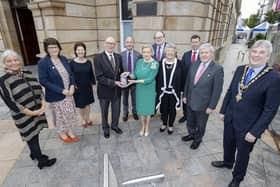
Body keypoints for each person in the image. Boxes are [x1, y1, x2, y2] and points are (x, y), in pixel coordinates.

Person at [211, 40, 280, 187]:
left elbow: (270, 109)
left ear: (268, 56)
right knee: (228, 144)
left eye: (261, 52)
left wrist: (255, 132)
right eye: (254, 51)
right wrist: (223, 111)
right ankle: (227, 162)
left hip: (249, 126)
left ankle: (237, 178)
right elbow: (230, 91)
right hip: (230, 117)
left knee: (243, 154)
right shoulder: (241, 69)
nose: (256, 55)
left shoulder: (274, 78)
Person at [0, 49, 56, 169]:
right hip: (23, 115)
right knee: (31, 137)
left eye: (15, 60)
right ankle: (41, 161)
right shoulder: (3, 80)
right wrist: (31, 112)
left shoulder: (27, 73)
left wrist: (43, 104)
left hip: (37, 111)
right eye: (9, 61)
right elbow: (11, 103)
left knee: (35, 134)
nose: (13, 63)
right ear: (4, 63)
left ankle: (33, 154)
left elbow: (39, 90)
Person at [181, 43, 224, 149]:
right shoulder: (195, 64)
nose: (203, 55)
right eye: (201, 53)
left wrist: (212, 106)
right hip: (190, 100)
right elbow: (188, 81)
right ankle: (191, 134)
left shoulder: (217, 69)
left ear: (211, 54)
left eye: (206, 52)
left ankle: (197, 139)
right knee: (190, 121)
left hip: (204, 104)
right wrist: (185, 95)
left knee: (200, 124)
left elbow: (217, 90)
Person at [38, 37, 79, 143]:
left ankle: (69, 131)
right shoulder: (43, 63)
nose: (53, 49)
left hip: (69, 93)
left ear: (59, 48)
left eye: (55, 47)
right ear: (46, 49)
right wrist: (61, 90)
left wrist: (72, 85)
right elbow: (43, 81)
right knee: (60, 116)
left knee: (69, 114)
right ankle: (62, 133)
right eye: (50, 47)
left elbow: (71, 74)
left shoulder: (64, 59)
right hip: (56, 95)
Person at [94, 36, 124, 139]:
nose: (111, 45)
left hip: (117, 91)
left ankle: (114, 126)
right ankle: (105, 128)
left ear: (115, 45)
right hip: (104, 91)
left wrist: (125, 77)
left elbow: (121, 71)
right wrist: (115, 82)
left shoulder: (118, 56)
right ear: (104, 44)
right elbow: (99, 77)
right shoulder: (98, 58)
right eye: (109, 43)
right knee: (104, 112)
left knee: (116, 110)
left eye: (113, 43)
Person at [128, 44, 159, 136]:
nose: (146, 54)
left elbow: (150, 79)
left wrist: (134, 81)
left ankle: (147, 127)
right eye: (144, 52)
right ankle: (142, 126)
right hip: (140, 89)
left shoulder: (155, 63)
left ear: (151, 53)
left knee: (148, 110)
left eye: (148, 52)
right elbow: (135, 74)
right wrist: (129, 75)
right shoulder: (139, 62)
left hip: (149, 89)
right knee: (141, 109)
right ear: (142, 53)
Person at [156, 43, 184, 134]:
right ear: (165, 52)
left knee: (172, 110)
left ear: (175, 52)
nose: (170, 53)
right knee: (163, 109)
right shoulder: (160, 63)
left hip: (174, 92)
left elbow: (184, 77)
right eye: (168, 51)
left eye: (172, 51)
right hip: (163, 92)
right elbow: (156, 77)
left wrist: (183, 91)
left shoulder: (180, 63)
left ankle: (171, 125)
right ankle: (164, 123)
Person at [70, 42, 96, 128]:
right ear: (76, 51)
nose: (80, 51)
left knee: (88, 104)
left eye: (82, 50)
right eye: (78, 50)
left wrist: (93, 84)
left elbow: (91, 74)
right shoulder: (72, 63)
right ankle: (83, 119)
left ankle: (88, 118)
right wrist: (73, 85)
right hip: (78, 87)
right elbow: (70, 76)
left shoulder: (88, 62)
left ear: (85, 51)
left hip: (87, 86)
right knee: (81, 105)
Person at [178, 34, 201, 123]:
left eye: (196, 42)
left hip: (197, 84)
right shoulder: (186, 54)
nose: (194, 44)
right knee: (185, 100)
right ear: (190, 43)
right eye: (193, 42)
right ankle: (185, 115)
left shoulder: (202, 55)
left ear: (199, 43)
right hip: (186, 83)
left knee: (195, 100)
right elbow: (182, 68)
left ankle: (194, 117)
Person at [121, 36, 141, 122]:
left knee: (135, 97)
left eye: (131, 42)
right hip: (125, 80)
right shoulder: (120, 55)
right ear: (125, 44)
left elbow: (140, 68)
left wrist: (135, 76)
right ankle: (125, 113)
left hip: (134, 79)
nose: (129, 44)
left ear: (133, 43)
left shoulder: (138, 55)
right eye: (127, 42)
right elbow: (119, 68)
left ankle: (135, 112)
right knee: (125, 97)